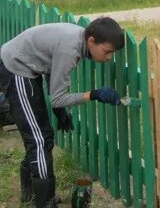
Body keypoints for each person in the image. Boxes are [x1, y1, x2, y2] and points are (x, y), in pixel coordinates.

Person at [0, 17, 125, 207]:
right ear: (92, 41)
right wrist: (94, 94)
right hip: (16, 67)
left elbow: (52, 69)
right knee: (39, 140)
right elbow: (57, 97)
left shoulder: (78, 39)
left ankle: (31, 193)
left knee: (43, 136)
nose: (108, 58)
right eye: (107, 52)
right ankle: (44, 202)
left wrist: (60, 112)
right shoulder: (71, 48)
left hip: (28, 68)